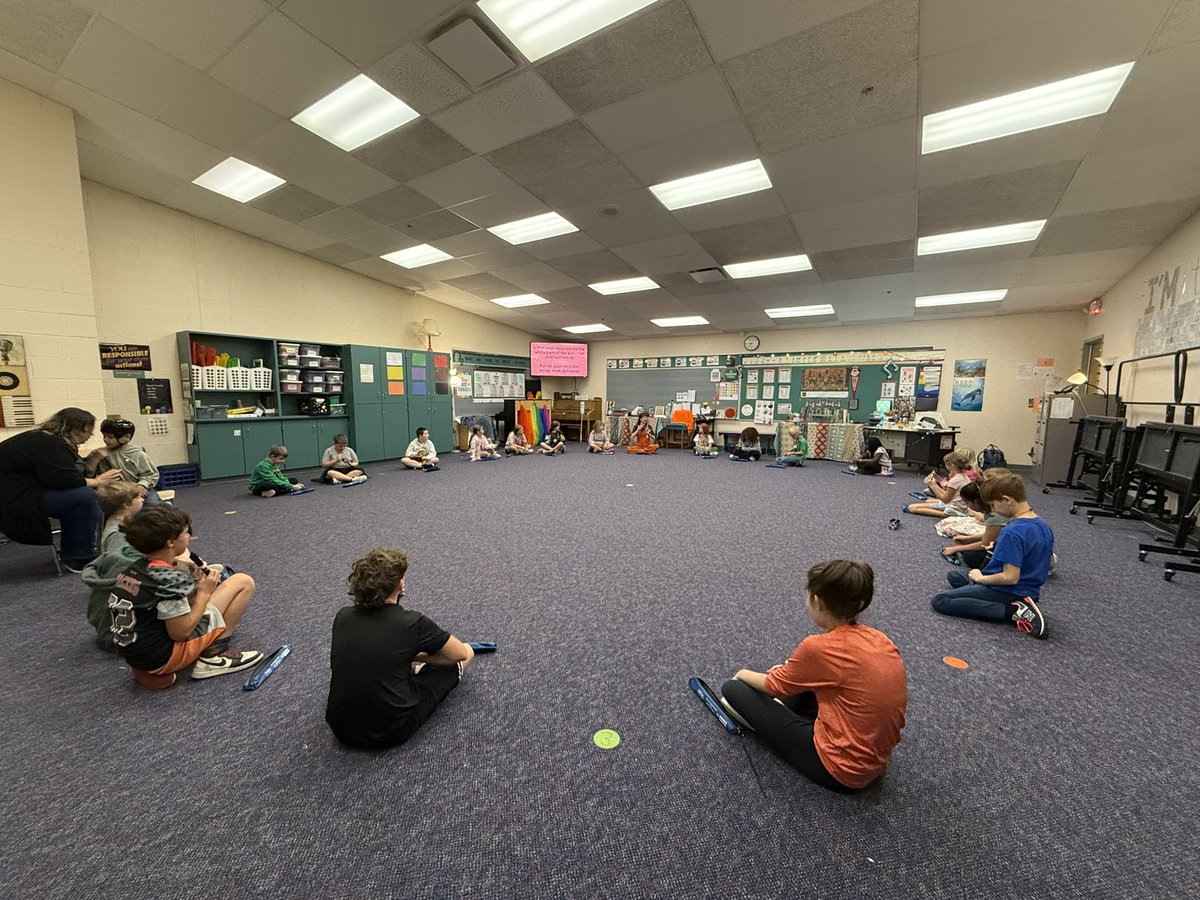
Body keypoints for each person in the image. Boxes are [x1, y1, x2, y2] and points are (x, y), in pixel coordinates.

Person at [720, 560, 907, 792]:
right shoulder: (880, 639)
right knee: (800, 679)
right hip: (874, 761)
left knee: (733, 689)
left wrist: (742, 673)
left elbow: (772, 686)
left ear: (817, 601)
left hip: (839, 770)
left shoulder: (817, 647)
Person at [325, 547, 475, 749]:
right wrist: (418, 657)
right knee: (468, 652)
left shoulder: (343, 616)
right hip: (390, 730)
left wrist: (405, 656)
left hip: (341, 728)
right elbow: (459, 653)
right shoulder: (411, 623)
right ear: (399, 586)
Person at [100, 506, 261, 688]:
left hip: (137, 654)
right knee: (243, 582)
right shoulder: (169, 579)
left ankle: (149, 670)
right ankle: (213, 657)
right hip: (164, 656)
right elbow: (180, 632)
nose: (188, 537)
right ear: (170, 542)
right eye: (185, 533)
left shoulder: (134, 569)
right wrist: (204, 592)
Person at [930, 474, 1053, 639]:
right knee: (955, 576)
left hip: (1007, 590)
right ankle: (995, 597)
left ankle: (1012, 611)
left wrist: (981, 579)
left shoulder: (1013, 532)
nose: (993, 510)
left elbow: (1010, 577)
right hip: (1030, 588)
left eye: (993, 505)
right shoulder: (1042, 524)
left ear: (1006, 500)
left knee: (940, 600)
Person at [0, 407, 120, 571]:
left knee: (81, 496)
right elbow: (65, 480)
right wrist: (99, 481)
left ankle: (79, 551)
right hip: (15, 499)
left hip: (18, 492)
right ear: (77, 429)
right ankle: (77, 557)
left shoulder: (41, 438)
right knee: (86, 498)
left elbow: (58, 475)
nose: (90, 436)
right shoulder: (50, 443)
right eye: (88, 432)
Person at [84, 418, 163, 505]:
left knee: (153, 504)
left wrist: (141, 485)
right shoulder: (99, 453)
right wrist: (94, 460)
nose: (105, 439)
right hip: (113, 491)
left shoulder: (137, 454)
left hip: (138, 488)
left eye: (110, 437)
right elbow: (88, 475)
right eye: (104, 436)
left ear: (126, 437)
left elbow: (151, 474)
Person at [906, 449, 971, 517]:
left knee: (912, 508)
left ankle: (947, 514)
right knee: (927, 501)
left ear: (950, 465)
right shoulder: (964, 477)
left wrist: (932, 485)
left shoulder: (955, 480)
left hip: (953, 508)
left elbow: (945, 500)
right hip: (957, 506)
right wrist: (934, 484)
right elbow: (948, 495)